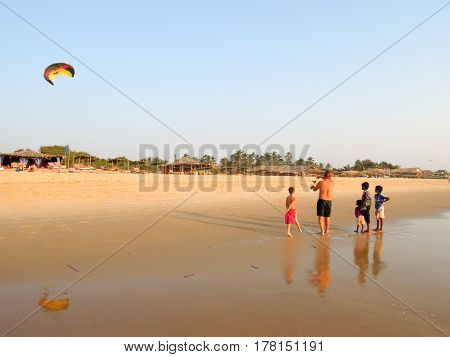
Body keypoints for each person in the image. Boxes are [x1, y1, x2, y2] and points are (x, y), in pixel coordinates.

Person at [311, 170, 334, 234]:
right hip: (329, 201)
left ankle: (322, 231)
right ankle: (327, 230)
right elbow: (328, 178)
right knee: (327, 216)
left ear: (324, 175)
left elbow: (314, 189)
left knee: (321, 216)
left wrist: (313, 185)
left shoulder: (321, 182)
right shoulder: (332, 182)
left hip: (322, 200)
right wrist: (321, 176)